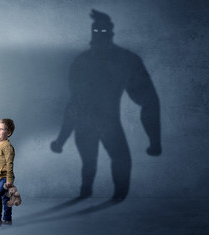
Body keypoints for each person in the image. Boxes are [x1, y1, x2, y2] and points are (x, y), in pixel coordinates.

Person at [51, 10, 162, 201]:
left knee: (97, 161)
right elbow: (149, 101)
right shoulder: (123, 60)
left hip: (94, 123)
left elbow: (73, 105)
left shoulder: (88, 62)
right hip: (102, 123)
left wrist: (61, 140)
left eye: (102, 31)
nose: (100, 34)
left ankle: (96, 193)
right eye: (98, 30)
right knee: (102, 161)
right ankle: (101, 193)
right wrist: (154, 141)